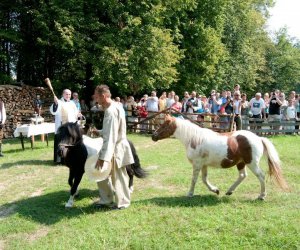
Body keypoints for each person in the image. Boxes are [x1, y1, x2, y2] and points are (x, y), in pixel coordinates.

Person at [94, 84, 134, 210]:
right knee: (104, 174)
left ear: (104, 96)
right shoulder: (115, 107)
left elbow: (111, 137)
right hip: (116, 146)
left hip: (115, 148)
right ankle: (107, 199)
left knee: (116, 175)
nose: (95, 98)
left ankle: (121, 203)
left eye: (97, 96)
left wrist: (103, 157)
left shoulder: (111, 111)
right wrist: (100, 132)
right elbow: (112, 130)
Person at [49, 82, 79, 164]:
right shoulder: (59, 102)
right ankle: (60, 160)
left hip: (70, 127)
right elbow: (53, 111)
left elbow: (76, 113)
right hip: (61, 127)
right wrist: (55, 103)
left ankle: (69, 159)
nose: (68, 96)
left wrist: (78, 116)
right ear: (63, 94)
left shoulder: (72, 103)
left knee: (70, 143)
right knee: (61, 143)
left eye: (69, 94)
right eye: (66, 94)